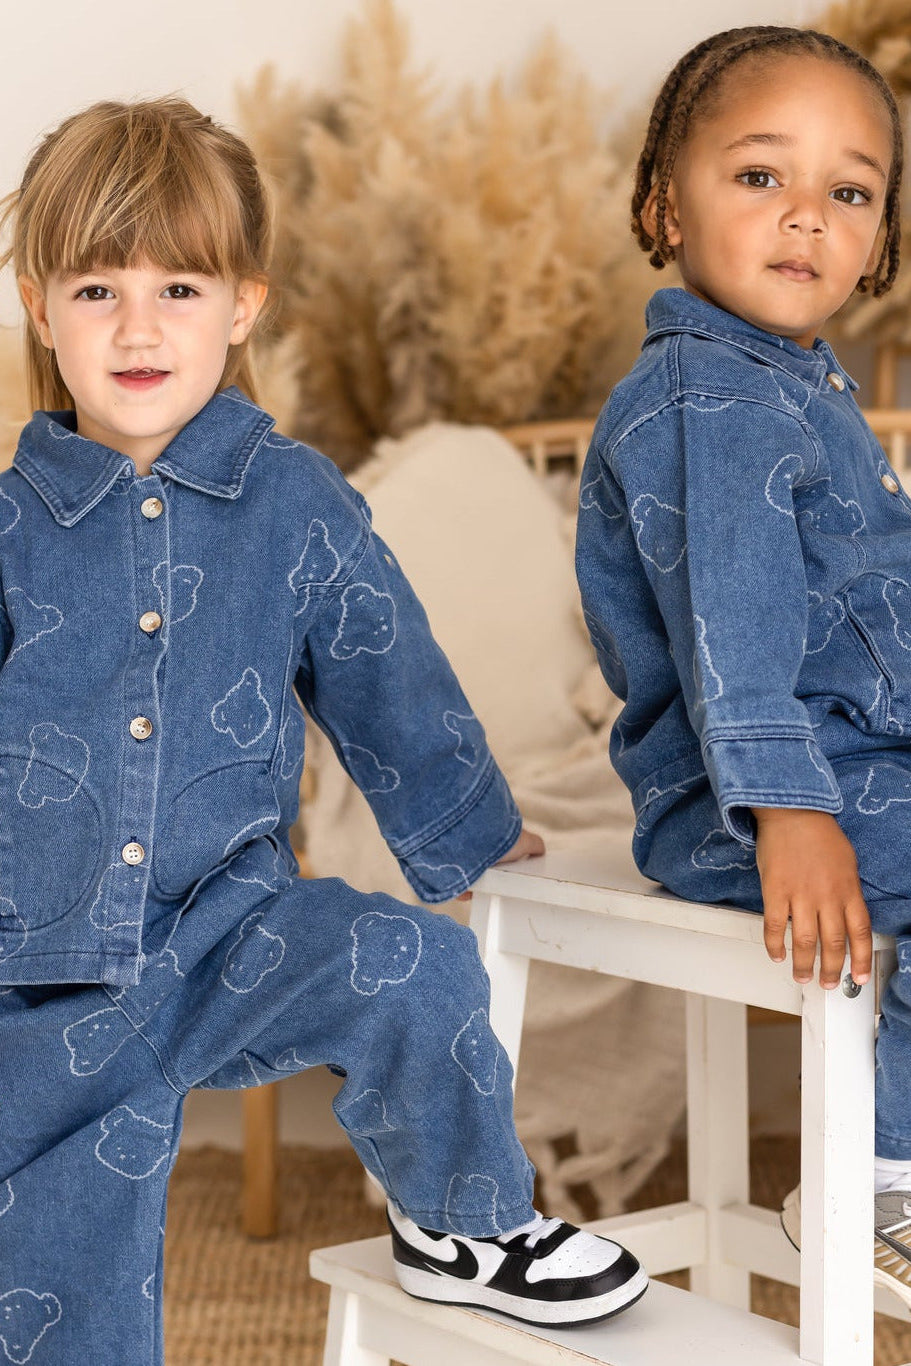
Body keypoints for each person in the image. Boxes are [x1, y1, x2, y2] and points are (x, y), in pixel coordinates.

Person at [0, 98, 647, 1366]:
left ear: (242, 305)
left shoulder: (291, 501)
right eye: (96, 289)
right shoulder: (11, 529)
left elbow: (379, 663)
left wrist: (466, 832)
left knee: (416, 966)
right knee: (65, 1296)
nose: (137, 327)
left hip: (234, 935)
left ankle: (464, 1224)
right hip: (40, 974)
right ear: (39, 306)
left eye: (178, 288)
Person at [575, 24, 911, 1305]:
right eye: (760, 175)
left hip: (857, 769)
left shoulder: (795, 388)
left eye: (849, 191)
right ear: (665, 206)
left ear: (878, 237)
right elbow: (735, 625)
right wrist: (786, 808)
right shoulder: (707, 403)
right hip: (752, 800)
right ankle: (875, 1180)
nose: (806, 215)